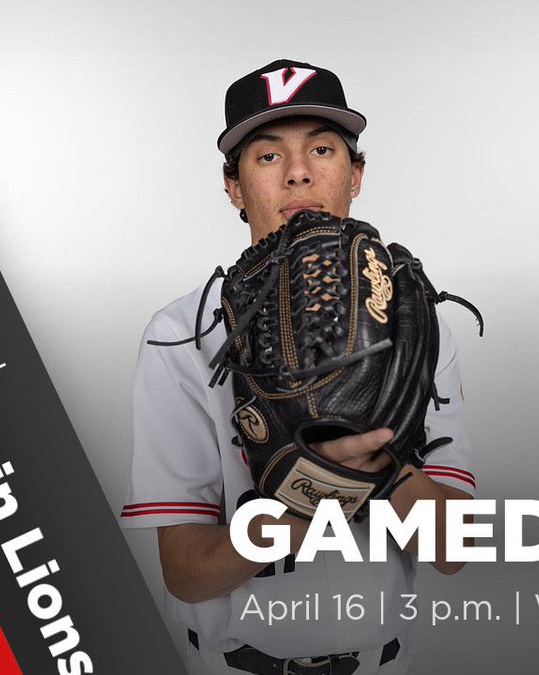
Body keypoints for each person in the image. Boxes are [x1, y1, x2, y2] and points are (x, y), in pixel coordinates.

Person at [120, 59, 477, 675]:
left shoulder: (418, 326)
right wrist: (311, 486)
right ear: (233, 187)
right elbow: (186, 573)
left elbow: (453, 549)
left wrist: (385, 469)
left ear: (355, 174)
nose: (299, 174)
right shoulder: (183, 333)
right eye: (267, 157)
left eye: (322, 148)